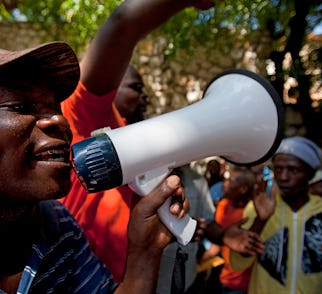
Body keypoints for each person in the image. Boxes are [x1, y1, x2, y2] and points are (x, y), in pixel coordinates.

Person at [0, 41, 191, 293]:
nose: (59, 121)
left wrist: (145, 252)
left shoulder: (55, 224)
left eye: (55, 107)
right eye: (19, 107)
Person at [59, 0, 264, 284]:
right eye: (134, 87)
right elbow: (122, 26)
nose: (144, 97)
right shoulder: (83, 116)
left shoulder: (129, 134)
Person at [230, 136, 322, 294]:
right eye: (278, 169)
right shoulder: (258, 207)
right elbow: (238, 263)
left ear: (310, 174)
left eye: (293, 170)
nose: (283, 177)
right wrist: (260, 221)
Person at [156, 164, 216, 294]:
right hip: (155, 279)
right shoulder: (149, 180)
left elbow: (209, 222)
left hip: (188, 276)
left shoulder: (198, 180)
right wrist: (176, 232)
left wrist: (225, 235)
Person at [214, 166, 256, 294]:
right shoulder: (223, 205)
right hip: (225, 276)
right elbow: (217, 238)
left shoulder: (253, 212)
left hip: (244, 283)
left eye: (230, 181)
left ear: (243, 189)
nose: (224, 184)